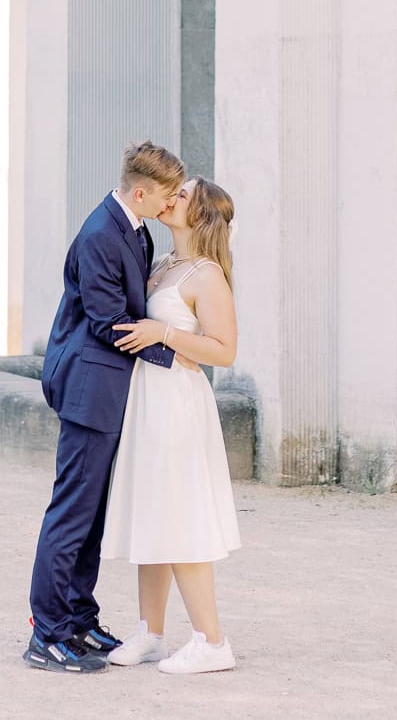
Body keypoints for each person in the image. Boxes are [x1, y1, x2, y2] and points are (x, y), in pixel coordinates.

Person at [24, 141, 186, 675]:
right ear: (140, 193)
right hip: (88, 389)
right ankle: (47, 633)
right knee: (72, 511)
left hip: (110, 391)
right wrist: (177, 352)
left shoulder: (135, 228)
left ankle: (79, 617)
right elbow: (107, 322)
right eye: (165, 196)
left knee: (92, 515)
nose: (170, 204)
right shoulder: (100, 234)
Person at [102, 176, 240, 675]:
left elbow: (224, 351)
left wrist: (163, 332)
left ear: (199, 214)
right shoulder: (163, 263)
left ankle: (212, 641)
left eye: (182, 194)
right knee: (153, 512)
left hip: (178, 404)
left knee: (180, 515)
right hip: (147, 401)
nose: (171, 195)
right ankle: (151, 633)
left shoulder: (206, 275)